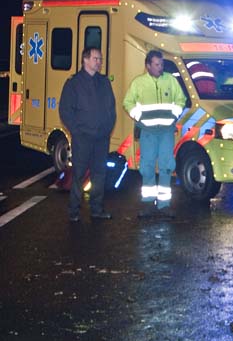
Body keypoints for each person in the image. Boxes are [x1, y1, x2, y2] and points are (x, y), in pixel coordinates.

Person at [123, 50, 186, 218]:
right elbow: (127, 102)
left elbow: (181, 100)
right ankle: (149, 204)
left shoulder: (170, 81)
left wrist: (174, 115)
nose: (160, 67)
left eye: (162, 64)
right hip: (148, 133)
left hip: (166, 132)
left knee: (166, 167)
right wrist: (139, 117)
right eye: (157, 64)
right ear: (148, 65)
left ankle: (164, 205)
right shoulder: (139, 83)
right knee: (147, 168)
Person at [58, 47, 116, 222]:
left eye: (100, 59)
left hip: (101, 139)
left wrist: (107, 129)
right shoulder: (74, 83)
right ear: (85, 60)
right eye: (95, 59)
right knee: (79, 174)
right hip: (82, 138)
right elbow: (65, 110)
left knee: (100, 174)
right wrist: (76, 131)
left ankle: (97, 210)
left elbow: (111, 109)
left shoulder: (104, 82)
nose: (99, 62)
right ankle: (74, 211)